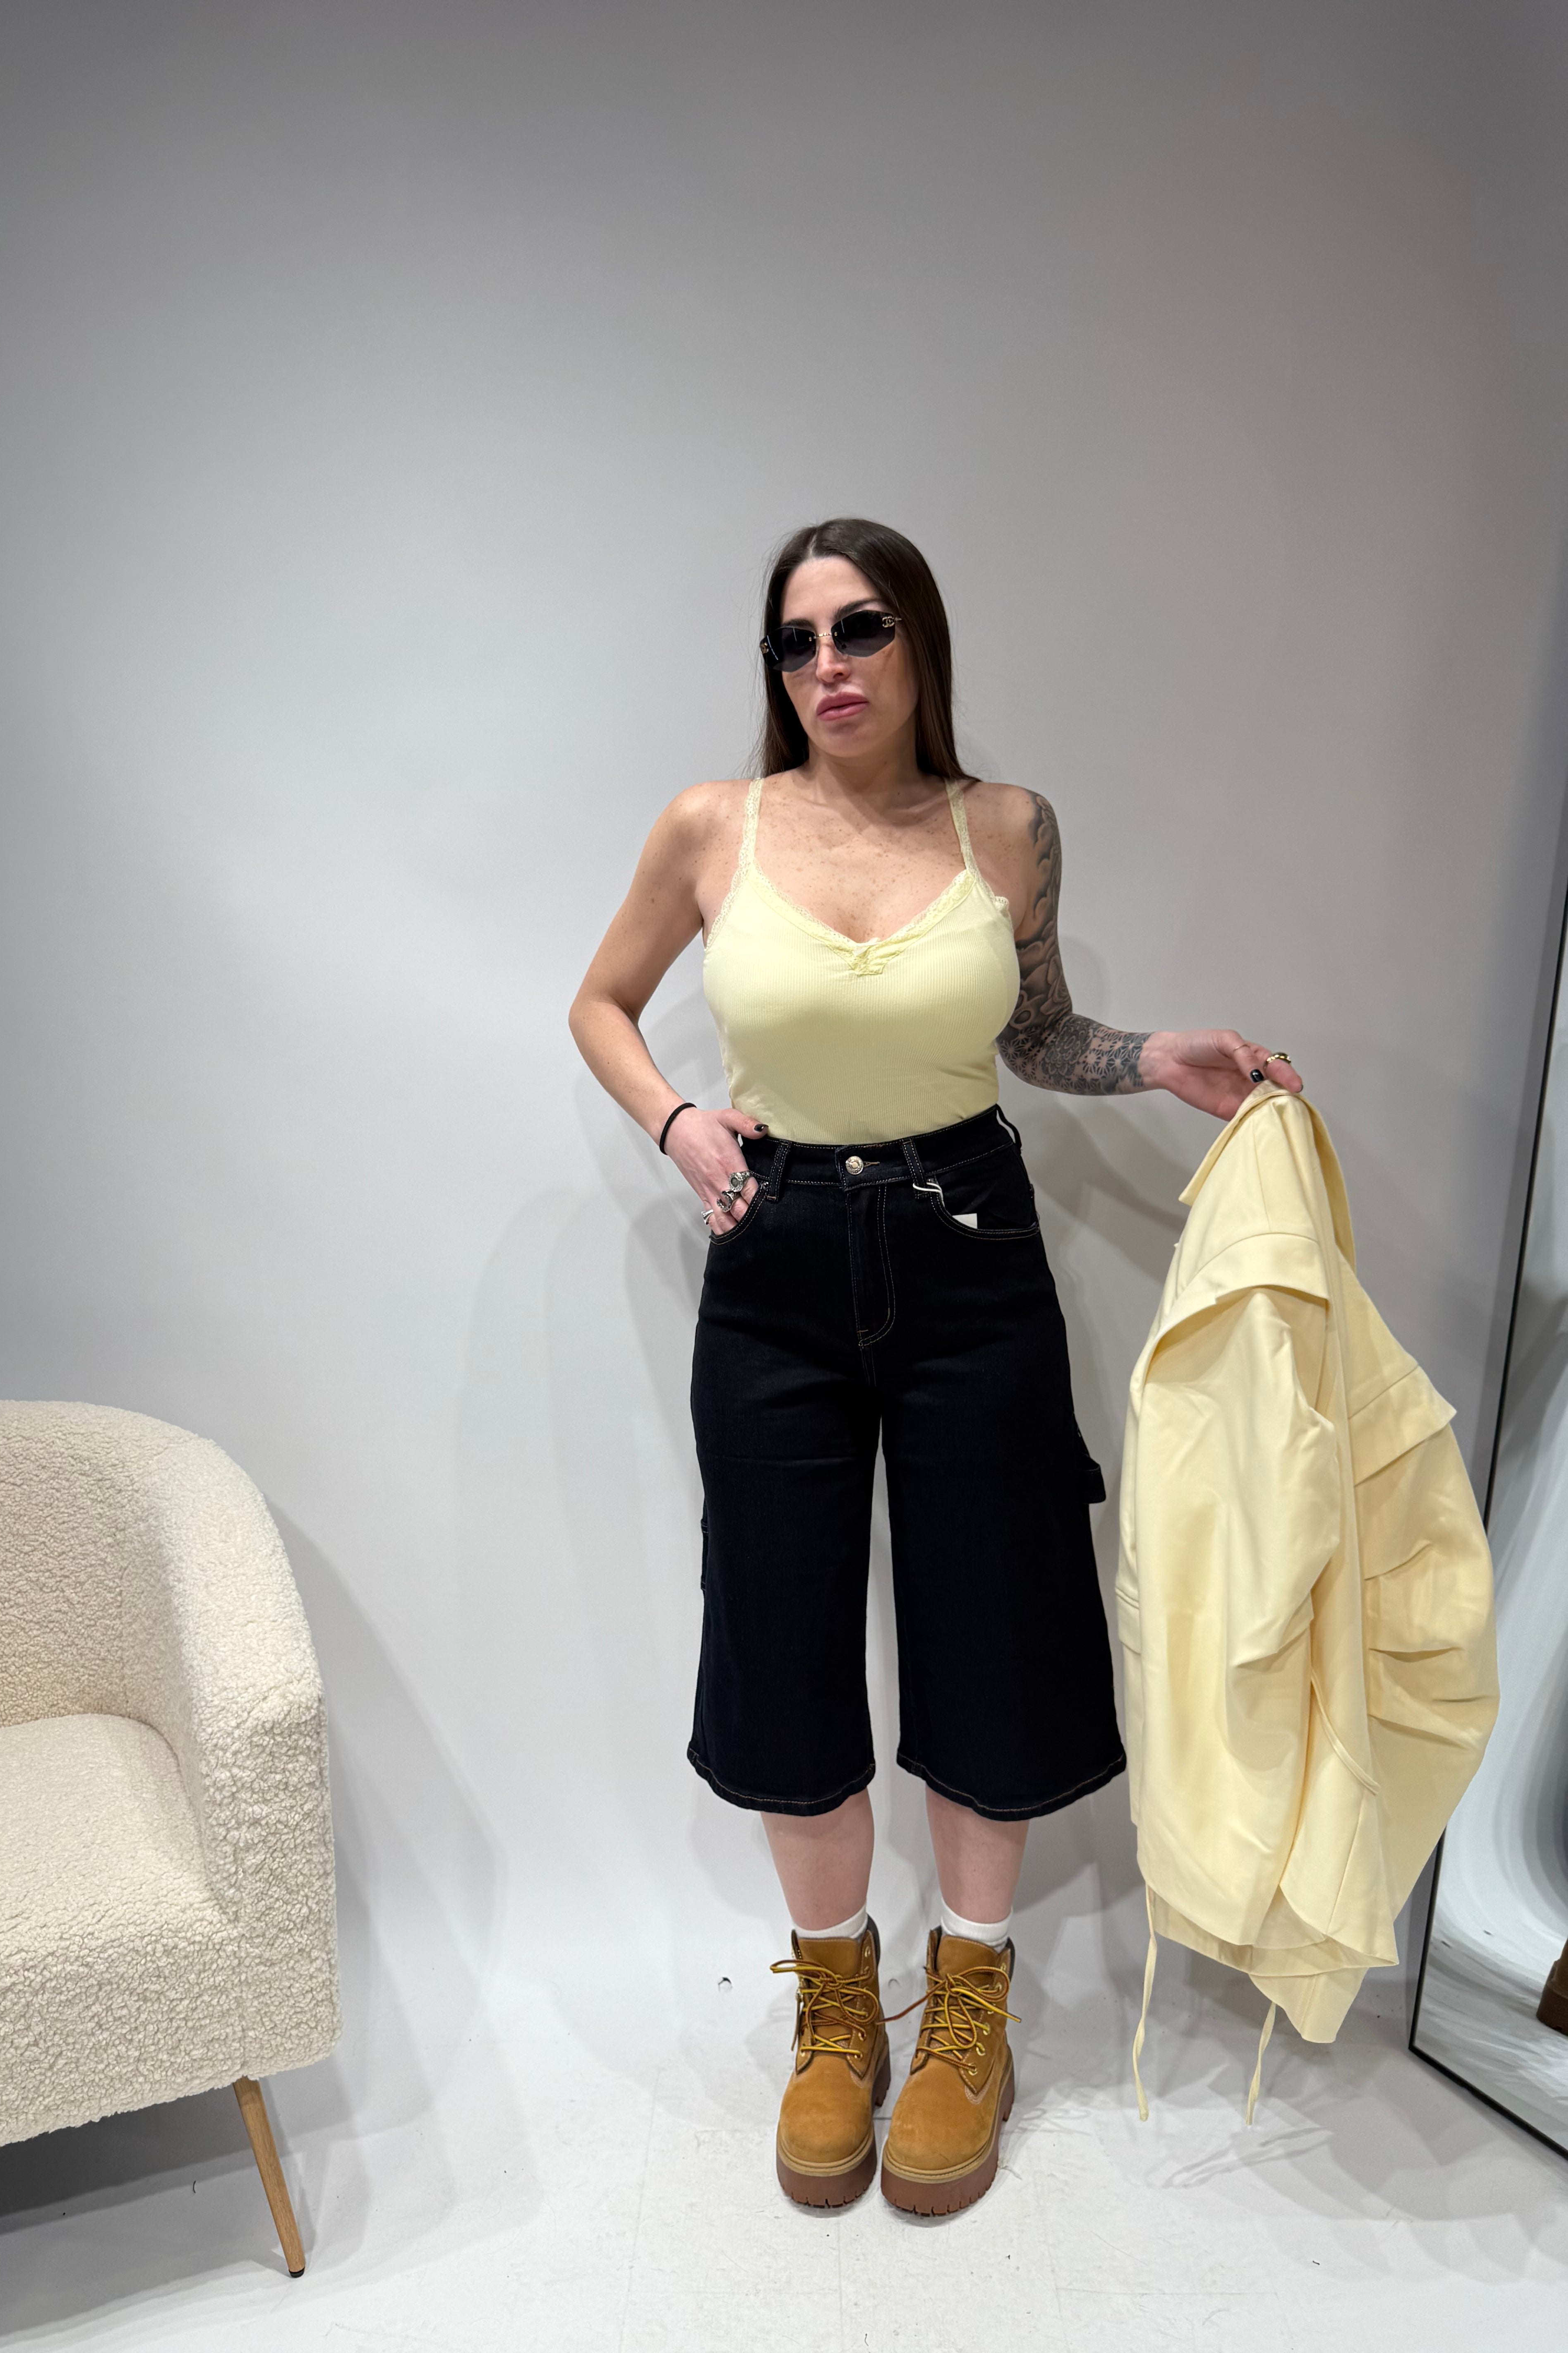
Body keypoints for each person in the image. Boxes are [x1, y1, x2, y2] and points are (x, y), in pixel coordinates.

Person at [568, 517, 1303, 2218]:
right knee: (781, 1624)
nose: (827, 666)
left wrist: (1156, 1055)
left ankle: (969, 2001)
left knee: (997, 1612)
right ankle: (837, 2004)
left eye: (861, 630)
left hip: (968, 1247)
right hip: (772, 1258)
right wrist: (677, 1123)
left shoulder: (1007, 828)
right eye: (797, 641)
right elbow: (601, 1003)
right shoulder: (712, 827)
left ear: (919, 644)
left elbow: (1032, 1034)